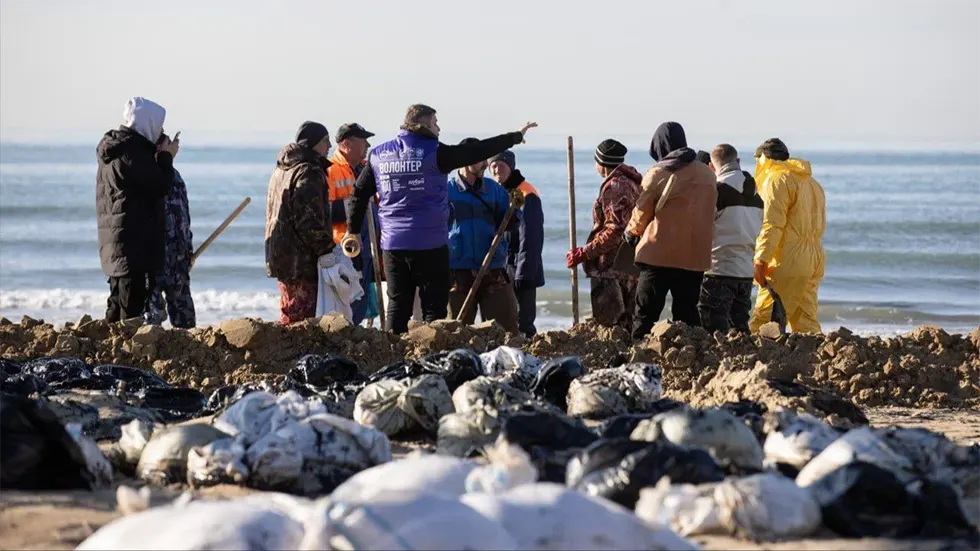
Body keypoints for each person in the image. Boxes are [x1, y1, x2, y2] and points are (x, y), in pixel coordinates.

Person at [345, 104, 537, 334]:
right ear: (423, 124)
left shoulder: (379, 154)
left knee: (398, 304)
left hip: (393, 245)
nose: (439, 128)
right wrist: (515, 137)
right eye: (435, 123)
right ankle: (432, 357)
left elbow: (358, 193)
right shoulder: (435, 152)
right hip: (430, 244)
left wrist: (352, 230)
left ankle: (393, 355)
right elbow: (476, 151)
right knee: (433, 310)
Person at [625, 121, 717, 340]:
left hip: (659, 255)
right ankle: (691, 357)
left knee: (645, 314)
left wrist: (631, 232)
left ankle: (638, 354)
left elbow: (642, 211)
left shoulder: (658, 173)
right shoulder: (707, 174)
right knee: (687, 314)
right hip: (695, 256)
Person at [96, 97, 178, 323]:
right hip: (133, 246)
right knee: (130, 312)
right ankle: (122, 357)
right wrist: (166, 157)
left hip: (116, 243)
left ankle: (109, 353)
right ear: (148, 124)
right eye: (158, 125)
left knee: (116, 305)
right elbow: (161, 185)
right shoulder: (132, 152)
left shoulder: (115, 149)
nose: (161, 131)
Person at [750, 138, 826, 334]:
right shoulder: (811, 182)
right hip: (814, 257)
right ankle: (814, 360)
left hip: (787, 259)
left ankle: (755, 361)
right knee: (805, 320)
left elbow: (772, 224)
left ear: (765, 159)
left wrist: (760, 259)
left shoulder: (777, 180)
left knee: (764, 319)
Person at [565, 140, 642, 332]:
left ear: (602, 163)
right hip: (629, 264)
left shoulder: (614, 187)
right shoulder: (631, 183)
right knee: (627, 324)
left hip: (610, 267)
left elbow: (615, 230)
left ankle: (615, 360)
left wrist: (585, 252)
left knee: (611, 326)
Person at [265, 121, 336, 325]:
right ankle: (299, 356)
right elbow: (308, 220)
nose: (330, 145)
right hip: (300, 260)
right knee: (303, 319)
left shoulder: (282, 169)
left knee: (290, 312)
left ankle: (288, 353)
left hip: (281, 255)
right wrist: (326, 249)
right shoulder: (308, 171)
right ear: (313, 143)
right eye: (325, 140)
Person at [446, 139, 520, 332]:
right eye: (480, 159)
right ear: (465, 160)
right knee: (456, 333)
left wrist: (513, 213)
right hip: (457, 272)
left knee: (506, 330)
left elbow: (512, 222)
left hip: (492, 269)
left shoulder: (494, 190)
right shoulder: (447, 191)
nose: (486, 165)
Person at [697, 144, 763, 333]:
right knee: (739, 329)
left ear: (711, 167)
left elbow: (702, 228)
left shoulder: (716, 192)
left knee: (713, 328)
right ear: (738, 162)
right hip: (745, 272)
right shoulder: (756, 197)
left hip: (719, 269)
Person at [489, 150, 544, 337]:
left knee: (524, 322)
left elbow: (531, 236)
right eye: (493, 166)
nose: (497, 170)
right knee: (505, 319)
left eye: (501, 166)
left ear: (511, 167)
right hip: (503, 265)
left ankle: (529, 356)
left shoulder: (525, 193)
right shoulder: (499, 191)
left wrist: (524, 272)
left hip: (521, 267)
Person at [145, 131, 196, 328]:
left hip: (178, 259)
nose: (175, 146)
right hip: (154, 260)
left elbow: (183, 216)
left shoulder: (175, 176)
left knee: (185, 318)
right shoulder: (149, 176)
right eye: (169, 143)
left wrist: (188, 248)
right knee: (152, 319)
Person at [327, 122, 376, 325]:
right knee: (347, 301)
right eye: (363, 141)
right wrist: (356, 205)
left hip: (367, 245)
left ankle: (356, 339)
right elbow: (325, 211)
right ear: (346, 144)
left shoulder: (365, 169)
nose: (367, 145)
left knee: (362, 297)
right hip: (344, 249)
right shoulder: (331, 170)